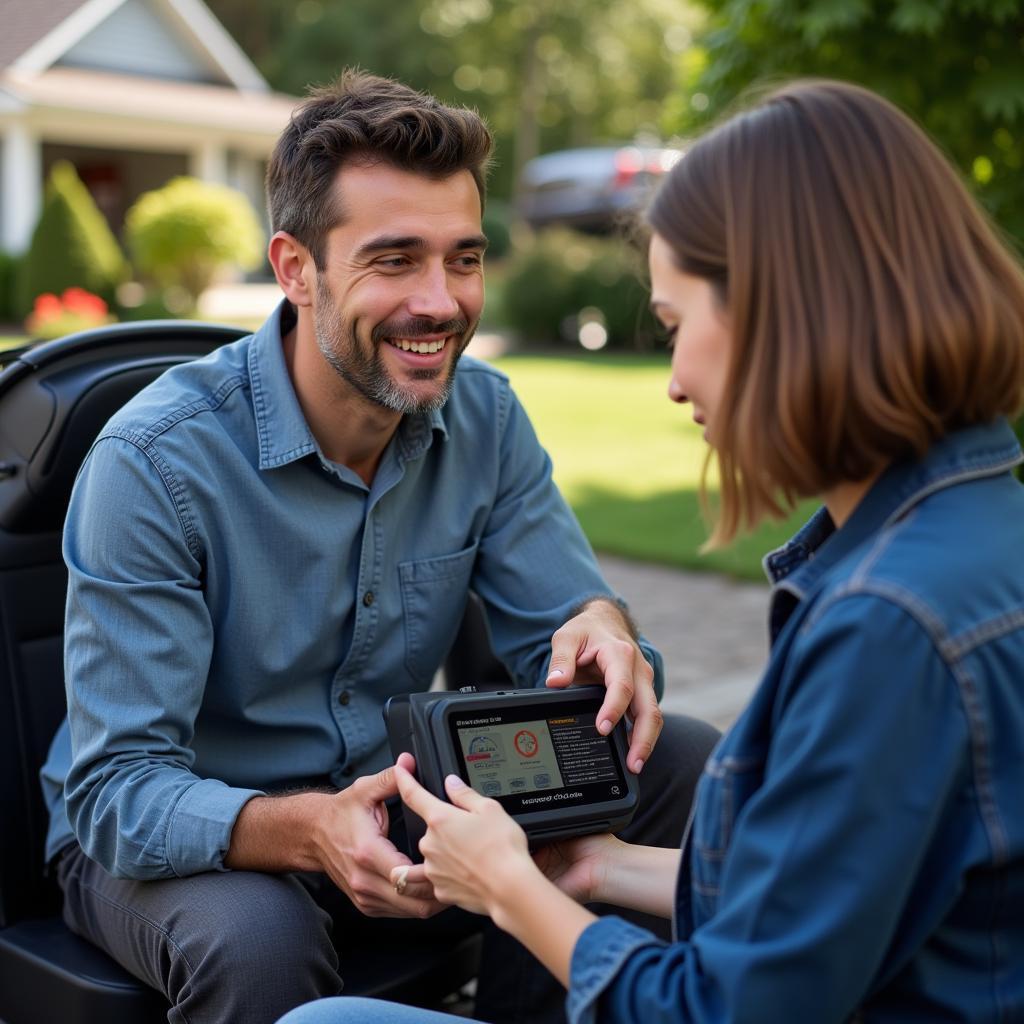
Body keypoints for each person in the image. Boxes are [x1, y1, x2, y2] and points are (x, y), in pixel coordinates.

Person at [275, 79, 1024, 1024]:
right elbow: (822, 914)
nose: (672, 383)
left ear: (781, 313)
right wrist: (603, 866)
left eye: (674, 327)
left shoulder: (890, 628)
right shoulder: (983, 536)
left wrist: (512, 888)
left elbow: (724, 1007)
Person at [39, 71, 719, 1024]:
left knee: (680, 761)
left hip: (399, 801)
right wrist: (312, 831)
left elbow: (567, 641)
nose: (440, 303)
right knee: (260, 939)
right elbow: (117, 793)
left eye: (464, 258)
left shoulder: (486, 418)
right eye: (394, 260)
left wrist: (603, 630)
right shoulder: (154, 462)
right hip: (179, 839)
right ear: (294, 267)